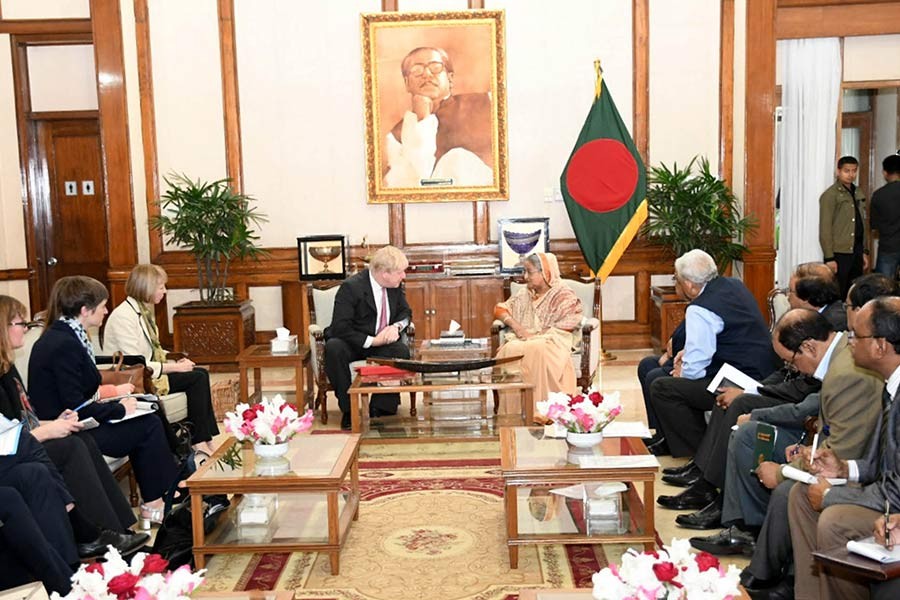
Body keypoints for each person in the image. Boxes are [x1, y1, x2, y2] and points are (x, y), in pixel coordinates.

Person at [665, 263, 842, 530]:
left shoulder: (828, 330)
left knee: (742, 402)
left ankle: (712, 487)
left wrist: (750, 393)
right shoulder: (803, 324)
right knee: (734, 395)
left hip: (803, 405)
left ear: (808, 297)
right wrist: (754, 387)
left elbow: (803, 387)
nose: (786, 296)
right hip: (789, 393)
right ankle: (703, 474)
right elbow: (787, 371)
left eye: (789, 291)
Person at [27, 276, 181, 529]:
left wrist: (118, 398)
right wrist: (119, 408)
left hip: (78, 420)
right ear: (85, 311)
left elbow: (81, 394)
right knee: (147, 426)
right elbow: (76, 405)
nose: (107, 311)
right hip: (69, 429)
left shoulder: (66, 335)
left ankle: (167, 490)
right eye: (102, 306)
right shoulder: (63, 343)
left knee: (150, 410)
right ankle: (157, 500)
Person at [0, 294, 147, 555]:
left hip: (23, 443)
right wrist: (49, 430)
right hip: (11, 456)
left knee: (80, 439)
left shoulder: (7, 368)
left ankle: (118, 530)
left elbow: (22, 422)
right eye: (20, 323)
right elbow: (9, 437)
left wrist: (55, 422)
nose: (25, 328)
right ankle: (93, 535)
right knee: (70, 447)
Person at [790, 296, 900, 600]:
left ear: (881, 346)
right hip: (889, 494)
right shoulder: (891, 383)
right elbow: (881, 464)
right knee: (801, 495)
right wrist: (843, 469)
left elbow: (895, 490)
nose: (848, 341)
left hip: (895, 506)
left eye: (856, 335)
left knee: (834, 520)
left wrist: (831, 494)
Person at [647, 249, 775, 466]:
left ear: (688, 284)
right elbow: (724, 336)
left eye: (676, 279)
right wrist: (684, 357)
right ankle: (669, 437)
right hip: (759, 370)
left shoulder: (700, 308)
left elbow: (695, 370)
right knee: (652, 369)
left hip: (738, 381)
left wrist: (681, 372)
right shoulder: (733, 285)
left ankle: (700, 456)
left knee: (663, 386)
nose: (676, 284)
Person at [103, 264, 218, 458]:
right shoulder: (124, 316)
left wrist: (174, 360)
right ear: (146, 287)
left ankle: (204, 438)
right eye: (161, 286)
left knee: (199, 373)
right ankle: (199, 441)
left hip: (149, 372)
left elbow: (151, 349)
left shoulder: (143, 312)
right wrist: (173, 368)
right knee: (196, 378)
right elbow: (136, 363)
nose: (165, 291)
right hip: (134, 379)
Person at [325, 246, 412, 430]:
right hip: (352, 341)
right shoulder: (351, 287)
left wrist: (396, 326)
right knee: (333, 348)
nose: (403, 276)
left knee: (401, 350)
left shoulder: (394, 286)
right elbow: (340, 327)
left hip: (381, 342)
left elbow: (405, 312)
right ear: (384, 273)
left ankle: (379, 407)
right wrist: (372, 341)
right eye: (400, 272)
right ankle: (349, 411)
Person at [383, 46, 494, 188]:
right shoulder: (395, 136)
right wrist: (422, 120)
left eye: (435, 67)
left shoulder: (488, 102)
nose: (427, 74)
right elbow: (409, 184)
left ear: (450, 78)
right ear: (407, 84)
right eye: (417, 70)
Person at [494, 253, 583, 414]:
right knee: (509, 349)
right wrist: (517, 326)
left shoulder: (563, 294)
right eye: (524, 271)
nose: (525, 276)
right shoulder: (525, 293)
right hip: (525, 339)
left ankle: (543, 411)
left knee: (538, 348)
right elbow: (500, 309)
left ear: (545, 272)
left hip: (554, 342)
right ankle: (515, 412)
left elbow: (571, 321)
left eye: (529, 272)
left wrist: (539, 335)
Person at [819, 155, 869, 298]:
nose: (851, 174)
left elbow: (862, 222)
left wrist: (864, 251)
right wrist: (829, 258)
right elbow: (825, 228)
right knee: (837, 291)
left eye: (854, 171)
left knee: (854, 291)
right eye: (847, 171)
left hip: (856, 249)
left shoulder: (858, 191)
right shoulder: (830, 195)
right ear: (838, 171)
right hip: (839, 252)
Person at [871, 153, 900, 279]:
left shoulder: (879, 195)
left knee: (883, 288)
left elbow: (874, 226)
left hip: (888, 246)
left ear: (885, 172)